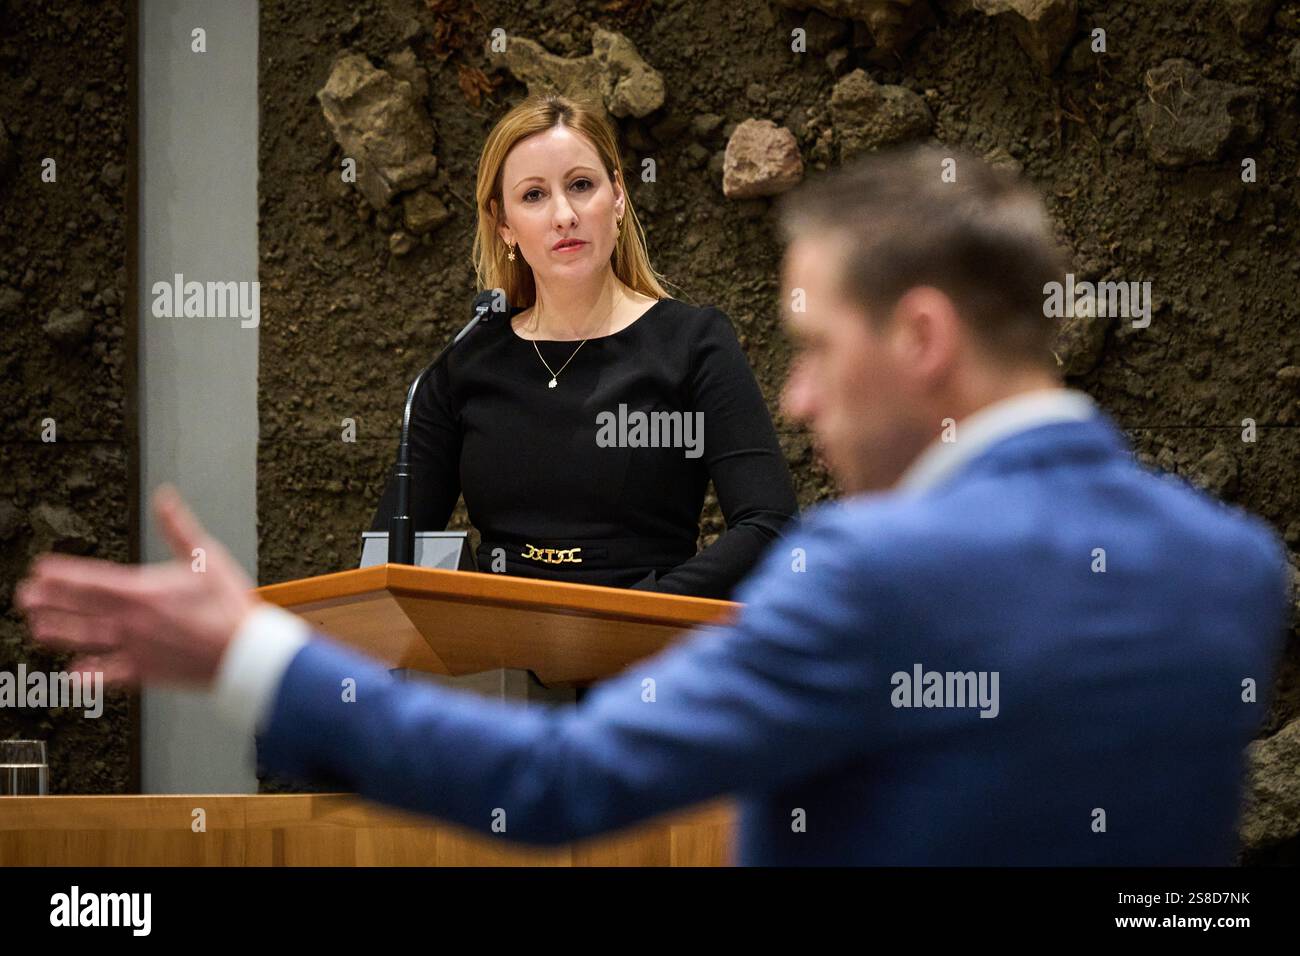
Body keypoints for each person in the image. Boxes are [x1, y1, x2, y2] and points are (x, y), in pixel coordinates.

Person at [17, 145, 1290, 865]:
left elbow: (565, 785)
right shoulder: (1229, 566)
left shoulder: (865, 568)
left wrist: (248, 652)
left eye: (813, 348)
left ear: (919, 336)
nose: (793, 400)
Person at [369, 91, 798, 601]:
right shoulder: (466, 360)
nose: (563, 215)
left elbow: (769, 525)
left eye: (580, 185)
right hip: (497, 656)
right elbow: (393, 554)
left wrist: (638, 613)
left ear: (617, 197)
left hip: (643, 653)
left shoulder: (692, 343)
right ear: (503, 223)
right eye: (533, 195)